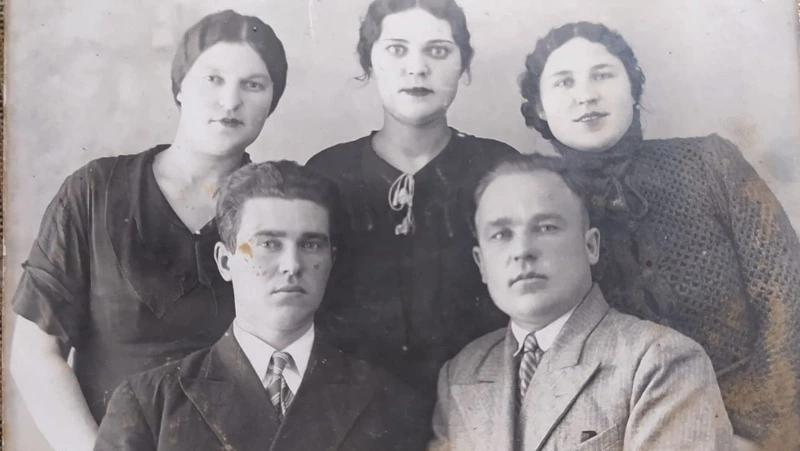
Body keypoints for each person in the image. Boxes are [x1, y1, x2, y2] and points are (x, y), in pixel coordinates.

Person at [9, 10, 288, 450]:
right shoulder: (96, 192)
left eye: (253, 85)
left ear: (272, 102)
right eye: (213, 79)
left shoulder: (280, 210)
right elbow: (34, 353)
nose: (230, 100)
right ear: (180, 86)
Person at [518, 21, 800, 450]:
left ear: (633, 87)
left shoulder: (710, 163)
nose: (586, 95)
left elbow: (788, 298)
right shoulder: (531, 199)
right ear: (539, 107)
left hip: (759, 426)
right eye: (564, 82)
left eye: (602, 74)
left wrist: (760, 433)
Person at [94, 161, 427, 451]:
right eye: (268, 243)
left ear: (331, 260)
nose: (291, 265)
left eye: (311, 245)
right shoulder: (151, 404)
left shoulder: (388, 402)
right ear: (225, 261)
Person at [429, 155, 733, 450]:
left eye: (546, 227)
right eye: (501, 234)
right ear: (481, 264)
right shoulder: (461, 373)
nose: (522, 251)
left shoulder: (660, 361)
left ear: (590, 246)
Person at [305, 0, 517, 408]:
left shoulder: (499, 168)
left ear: (463, 64)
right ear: (369, 61)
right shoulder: (328, 173)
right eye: (396, 49)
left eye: (438, 51)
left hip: (483, 402)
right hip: (351, 409)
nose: (417, 68)